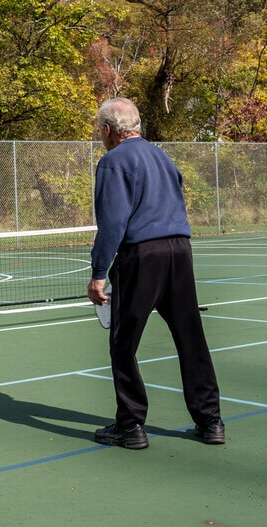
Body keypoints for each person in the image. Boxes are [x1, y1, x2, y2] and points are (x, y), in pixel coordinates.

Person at [87, 97, 224, 449]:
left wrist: (99, 273)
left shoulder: (113, 161)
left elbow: (112, 222)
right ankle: (210, 421)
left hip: (142, 256)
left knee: (123, 343)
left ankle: (130, 426)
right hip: (180, 251)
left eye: (99, 129)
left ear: (108, 130)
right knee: (191, 338)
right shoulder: (162, 157)